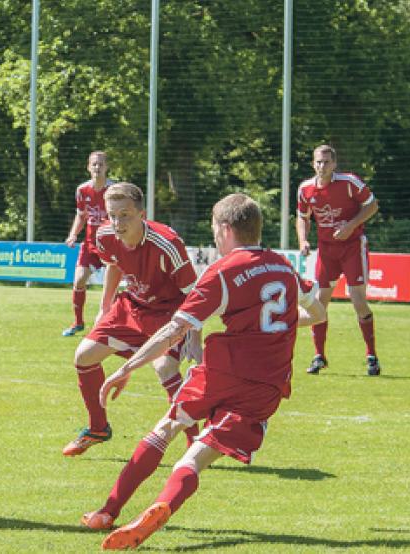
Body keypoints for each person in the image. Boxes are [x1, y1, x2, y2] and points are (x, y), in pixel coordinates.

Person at [80, 194, 326, 550]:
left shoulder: (223, 272)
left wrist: (127, 367)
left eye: (214, 228)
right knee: (195, 457)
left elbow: (173, 331)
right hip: (269, 385)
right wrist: (278, 326)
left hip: (222, 371)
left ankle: (108, 511)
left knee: (165, 429)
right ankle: (163, 504)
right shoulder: (283, 267)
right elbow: (317, 313)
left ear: (225, 229)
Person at [62, 182, 201, 457]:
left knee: (165, 369)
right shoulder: (104, 235)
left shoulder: (168, 244)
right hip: (132, 305)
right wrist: (105, 307)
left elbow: (194, 295)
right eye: (112, 215)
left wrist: (196, 338)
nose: (117, 222)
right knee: (84, 356)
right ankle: (98, 427)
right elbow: (114, 263)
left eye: (124, 214)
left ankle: (195, 440)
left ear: (141, 214)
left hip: (169, 312)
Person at [296, 144, 381, 376]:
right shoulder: (305, 189)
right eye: (318, 162)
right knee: (320, 303)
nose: (321, 166)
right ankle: (319, 356)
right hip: (326, 250)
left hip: (353, 247)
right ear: (313, 163)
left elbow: (372, 205)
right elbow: (302, 217)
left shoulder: (349, 183)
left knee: (357, 300)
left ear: (334, 164)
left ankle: (371, 355)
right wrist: (303, 240)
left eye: (326, 162)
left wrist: (350, 225)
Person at [63, 151, 112, 336]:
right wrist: (73, 234)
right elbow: (81, 215)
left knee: (109, 290)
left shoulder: (114, 190)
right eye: (94, 164)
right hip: (90, 244)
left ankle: (108, 325)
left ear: (107, 167)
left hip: (111, 246)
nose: (97, 168)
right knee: (79, 280)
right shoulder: (82, 190)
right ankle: (78, 322)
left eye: (101, 164)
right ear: (88, 167)